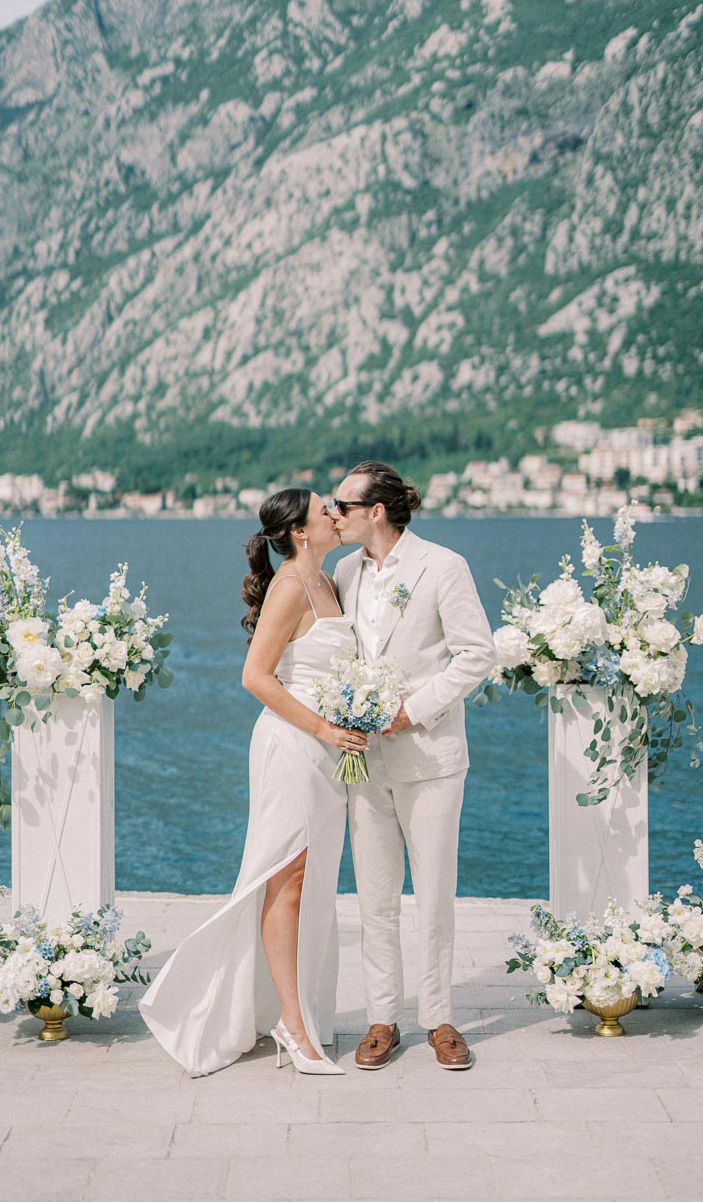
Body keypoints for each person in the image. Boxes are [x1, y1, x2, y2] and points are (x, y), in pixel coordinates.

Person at [139, 488, 368, 1076]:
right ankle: (292, 1025)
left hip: (327, 754)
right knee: (285, 880)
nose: (335, 515)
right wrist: (325, 727)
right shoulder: (290, 586)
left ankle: (297, 1010)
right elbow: (256, 677)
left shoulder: (328, 581)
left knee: (313, 883)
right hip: (292, 746)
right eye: (324, 511)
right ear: (299, 531)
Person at [332, 461, 496, 1070]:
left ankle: (440, 1019)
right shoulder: (344, 572)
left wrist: (412, 710)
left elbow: (477, 654)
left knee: (433, 896)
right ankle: (382, 1019)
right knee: (373, 897)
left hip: (430, 756)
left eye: (343, 506)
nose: (333, 515)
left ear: (376, 511)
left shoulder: (443, 566)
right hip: (364, 760)